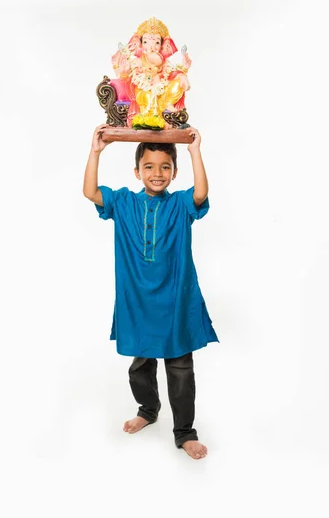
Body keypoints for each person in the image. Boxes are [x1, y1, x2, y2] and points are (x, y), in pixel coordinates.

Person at [83, 123, 219, 460]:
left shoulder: (180, 205)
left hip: (175, 299)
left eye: (165, 167)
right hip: (137, 301)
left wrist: (194, 150)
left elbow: (200, 194)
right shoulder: (124, 202)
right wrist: (96, 151)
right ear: (136, 171)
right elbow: (90, 192)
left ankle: (185, 432)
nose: (156, 173)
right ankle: (148, 409)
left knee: (180, 369)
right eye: (149, 166)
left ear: (174, 173)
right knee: (140, 365)